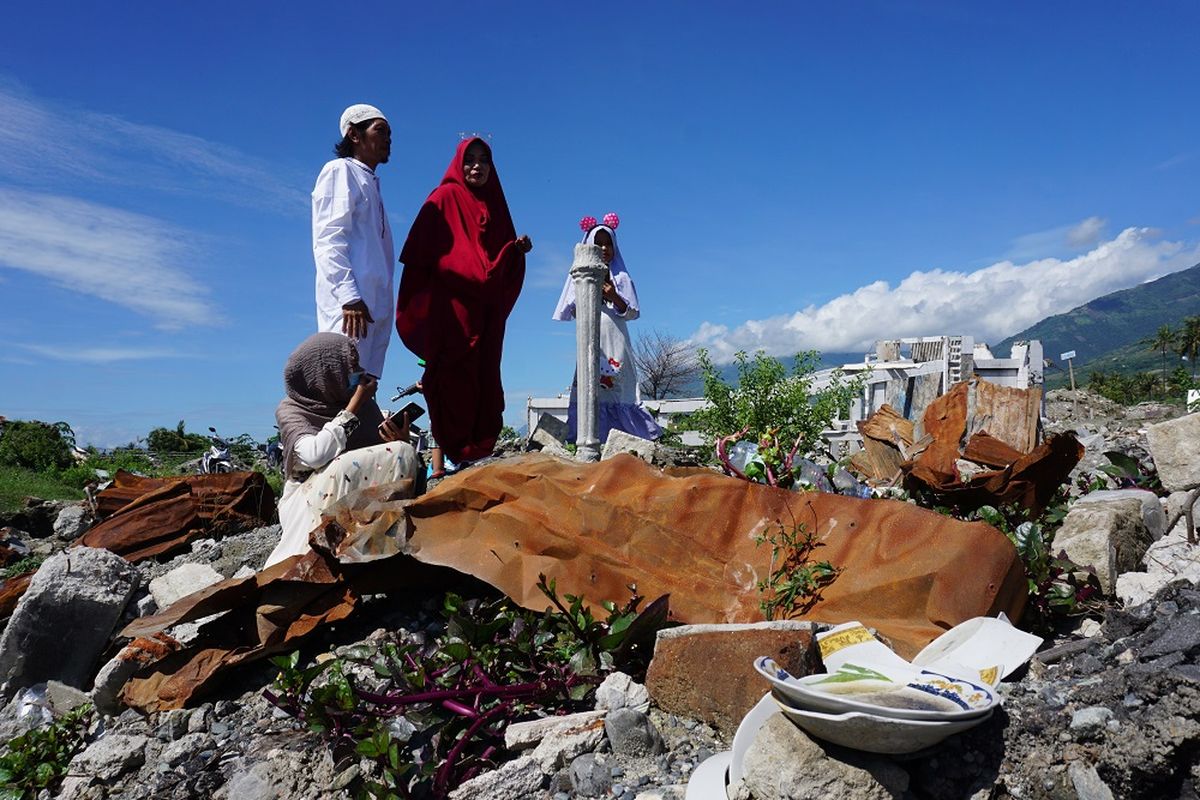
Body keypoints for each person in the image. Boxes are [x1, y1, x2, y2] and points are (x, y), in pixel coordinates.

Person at [395, 137, 531, 465]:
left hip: (484, 312)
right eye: (470, 160)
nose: (477, 167)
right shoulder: (443, 199)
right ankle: (459, 451)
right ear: (459, 163)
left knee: (486, 374)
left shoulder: (495, 202)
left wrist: (513, 253)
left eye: (484, 160)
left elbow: (496, 258)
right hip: (452, 312)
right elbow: (423, 258)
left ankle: (481, 448)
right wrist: (470, 271)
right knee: (454, 376)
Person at [265, 332, 418, 568]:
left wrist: (398, 440)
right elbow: (315, 456)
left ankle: (382, 545)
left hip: (359, 498)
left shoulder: (368, 407)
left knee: (402, 452)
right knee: (344, 465)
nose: (358, 374)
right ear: (325, 374)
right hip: (310, 495)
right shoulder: (291, 410)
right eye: (351, 368)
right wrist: (352, 408)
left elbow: (380, 460)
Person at [552, 214, 662, 444]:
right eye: (598, 243)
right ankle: (588, 437)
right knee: (589, 382)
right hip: (591, 338)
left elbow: (632, 312)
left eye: (608, 243)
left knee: (620, 384)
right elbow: (572, 309)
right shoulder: (580, 276)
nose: (604, 248)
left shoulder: (622, 278)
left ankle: (629, 437)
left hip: (616, 337)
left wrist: (614, 296)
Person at [311, 104, 395, 378]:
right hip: (351, 308)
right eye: (380, 131)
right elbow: (329, 238)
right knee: (341, 387)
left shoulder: (372, 183)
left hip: (374, 307)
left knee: (365, 389)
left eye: (389, 133)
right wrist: (349, 297)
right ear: (354, 135)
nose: (387, 139)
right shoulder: (340, 170)